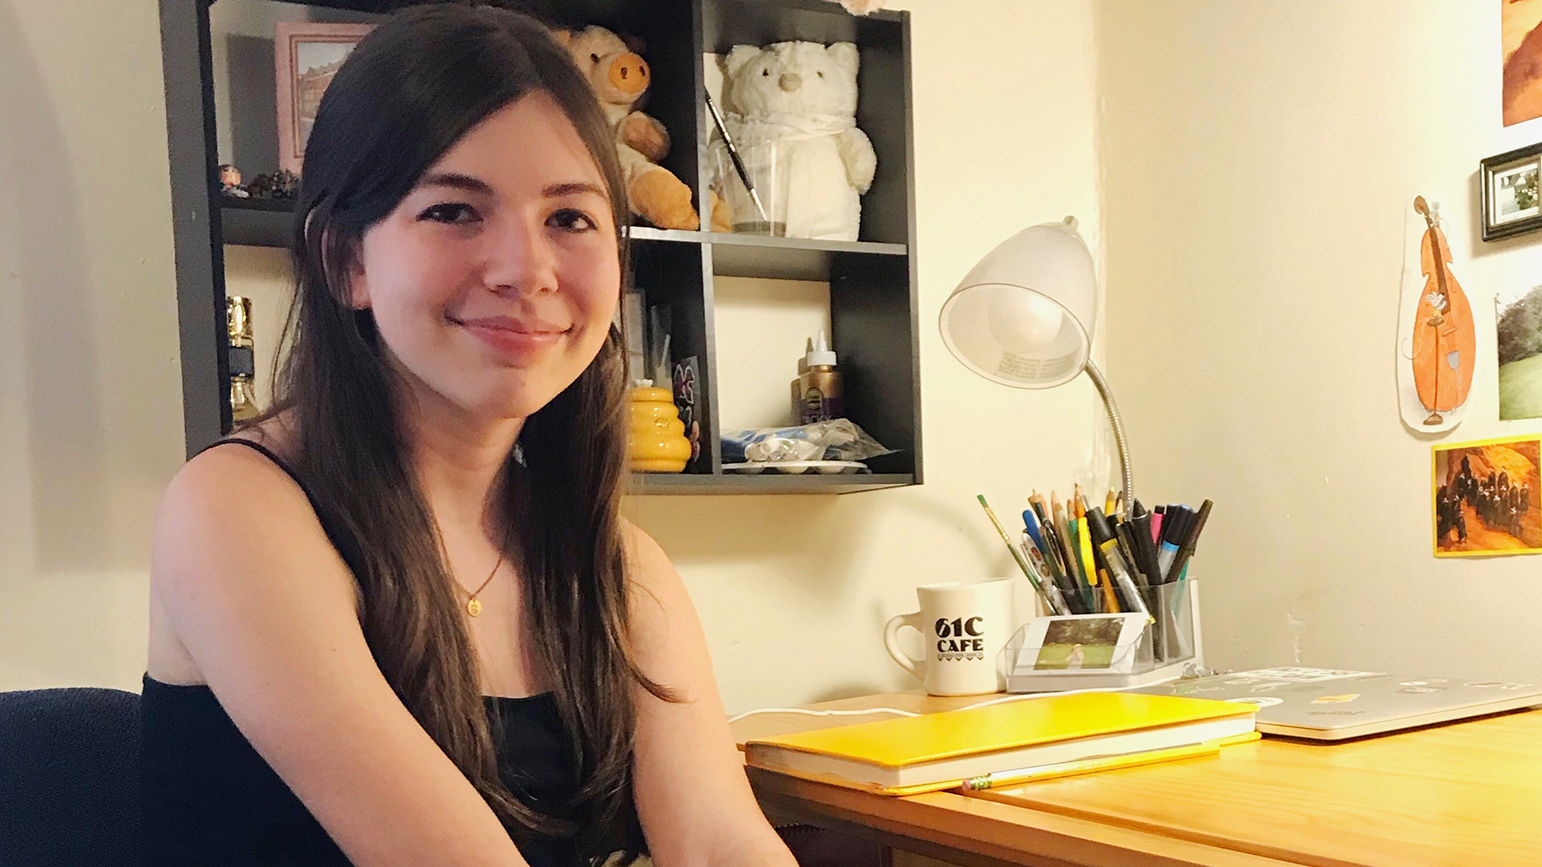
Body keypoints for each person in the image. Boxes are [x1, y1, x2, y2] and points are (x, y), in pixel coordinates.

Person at [142, 7, 796, 866]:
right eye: (454, 210)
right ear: (347, 261)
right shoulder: (237, 510)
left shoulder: (619, 565)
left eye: (570, 219)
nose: (526, 270)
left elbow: (717, 843)